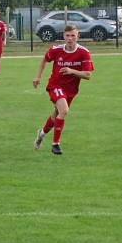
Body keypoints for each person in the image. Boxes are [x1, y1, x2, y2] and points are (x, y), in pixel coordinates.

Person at [32, 23, 93, 155]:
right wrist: (38, 77)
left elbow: (87, 75)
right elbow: (44, 59)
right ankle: (55, 144)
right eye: (67, 35)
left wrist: (71, 71)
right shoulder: (56, 49)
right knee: (64, 110)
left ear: (78, 36)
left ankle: (41, 134)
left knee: (57, 115)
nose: (70, 38)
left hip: (71, 90)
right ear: (63, 36)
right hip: (55, 86)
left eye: (73, 35)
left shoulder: (84, 52)